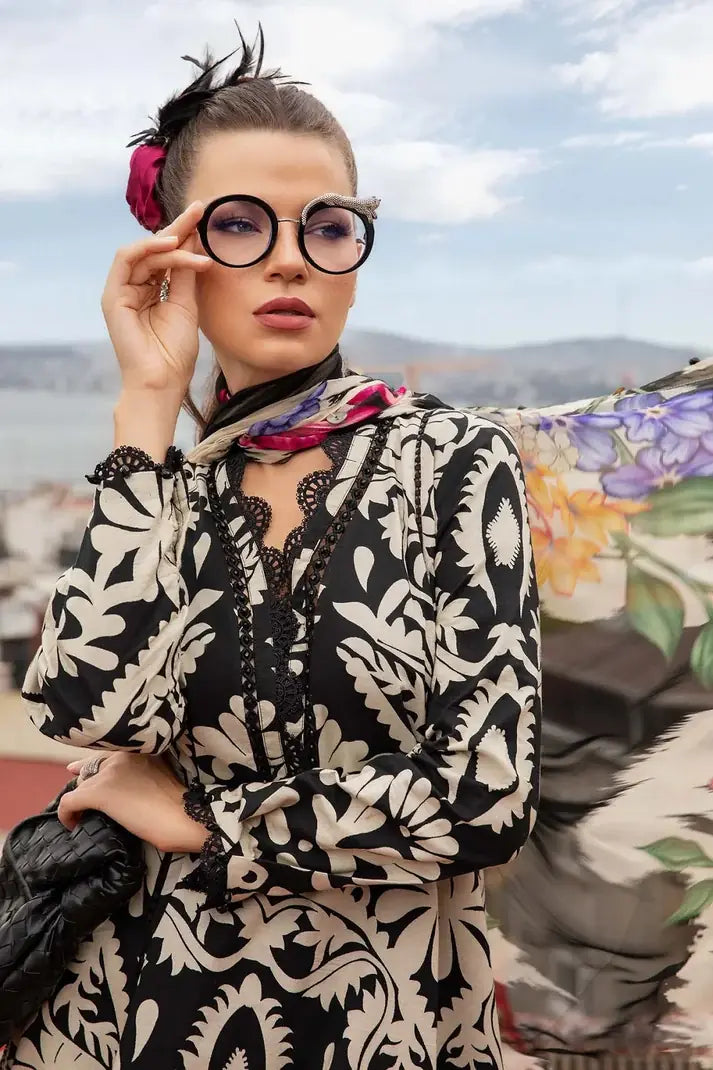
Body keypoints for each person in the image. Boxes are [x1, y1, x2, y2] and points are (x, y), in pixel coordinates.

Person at [5, 23, 541, 1070]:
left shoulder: (452, 459)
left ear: (353, 255)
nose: (291, 256)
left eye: (326, 225)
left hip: (384, 1021)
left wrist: (200, 815)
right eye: (239, 225)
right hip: (130, 1013)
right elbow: (84, 709)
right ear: (173, 256)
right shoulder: (166, 482)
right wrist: (144, 409)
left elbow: (483, 797)